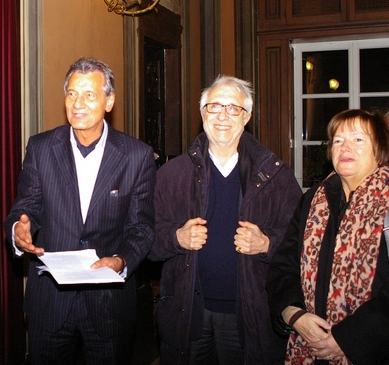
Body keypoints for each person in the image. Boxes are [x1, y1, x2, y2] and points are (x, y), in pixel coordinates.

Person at [4, 57, 156, 365]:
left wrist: (121, 260)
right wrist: (20, 229)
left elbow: (141, 228)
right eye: (72, 93)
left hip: (109, 304)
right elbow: (26, 207)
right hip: (50, 300)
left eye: (89, 94)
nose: (78, 103)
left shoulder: (136, 156)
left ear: (109, 101)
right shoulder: (41, 147)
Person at [149, 75, 303, 364]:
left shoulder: (274, 176)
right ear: (202, 113)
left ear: (247, 117)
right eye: (214, 106)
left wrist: (267, 243)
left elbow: (302, 242)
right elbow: (145, 240)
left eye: (233, 108)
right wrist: (175, 238)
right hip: (188, 312)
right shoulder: (172, 175)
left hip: (251, 314)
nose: (222, 116)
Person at [267, 109, 389, 364]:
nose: (345, 147)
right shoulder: (314, 200)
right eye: (337, 140)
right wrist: (293, 314)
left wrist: (347, 339)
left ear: (379, 149)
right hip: (308, 347)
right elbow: (284, 266)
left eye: (358, 139)